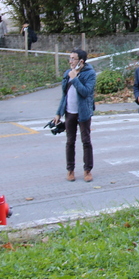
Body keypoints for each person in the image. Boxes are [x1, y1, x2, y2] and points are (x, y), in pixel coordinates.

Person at [53, 48, 97, 182]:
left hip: (83, 112)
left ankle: (87, 170)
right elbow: (64, 95)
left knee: (86, 141)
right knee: (70, 141)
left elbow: (86, 92)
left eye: (73, 58)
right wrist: (58, 113)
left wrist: (75, 79)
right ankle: (70, 170)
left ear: (81, 61)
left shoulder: (90, 74)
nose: (70, 61)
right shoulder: (67, 73)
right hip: (69, 112)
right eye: (70, 58)